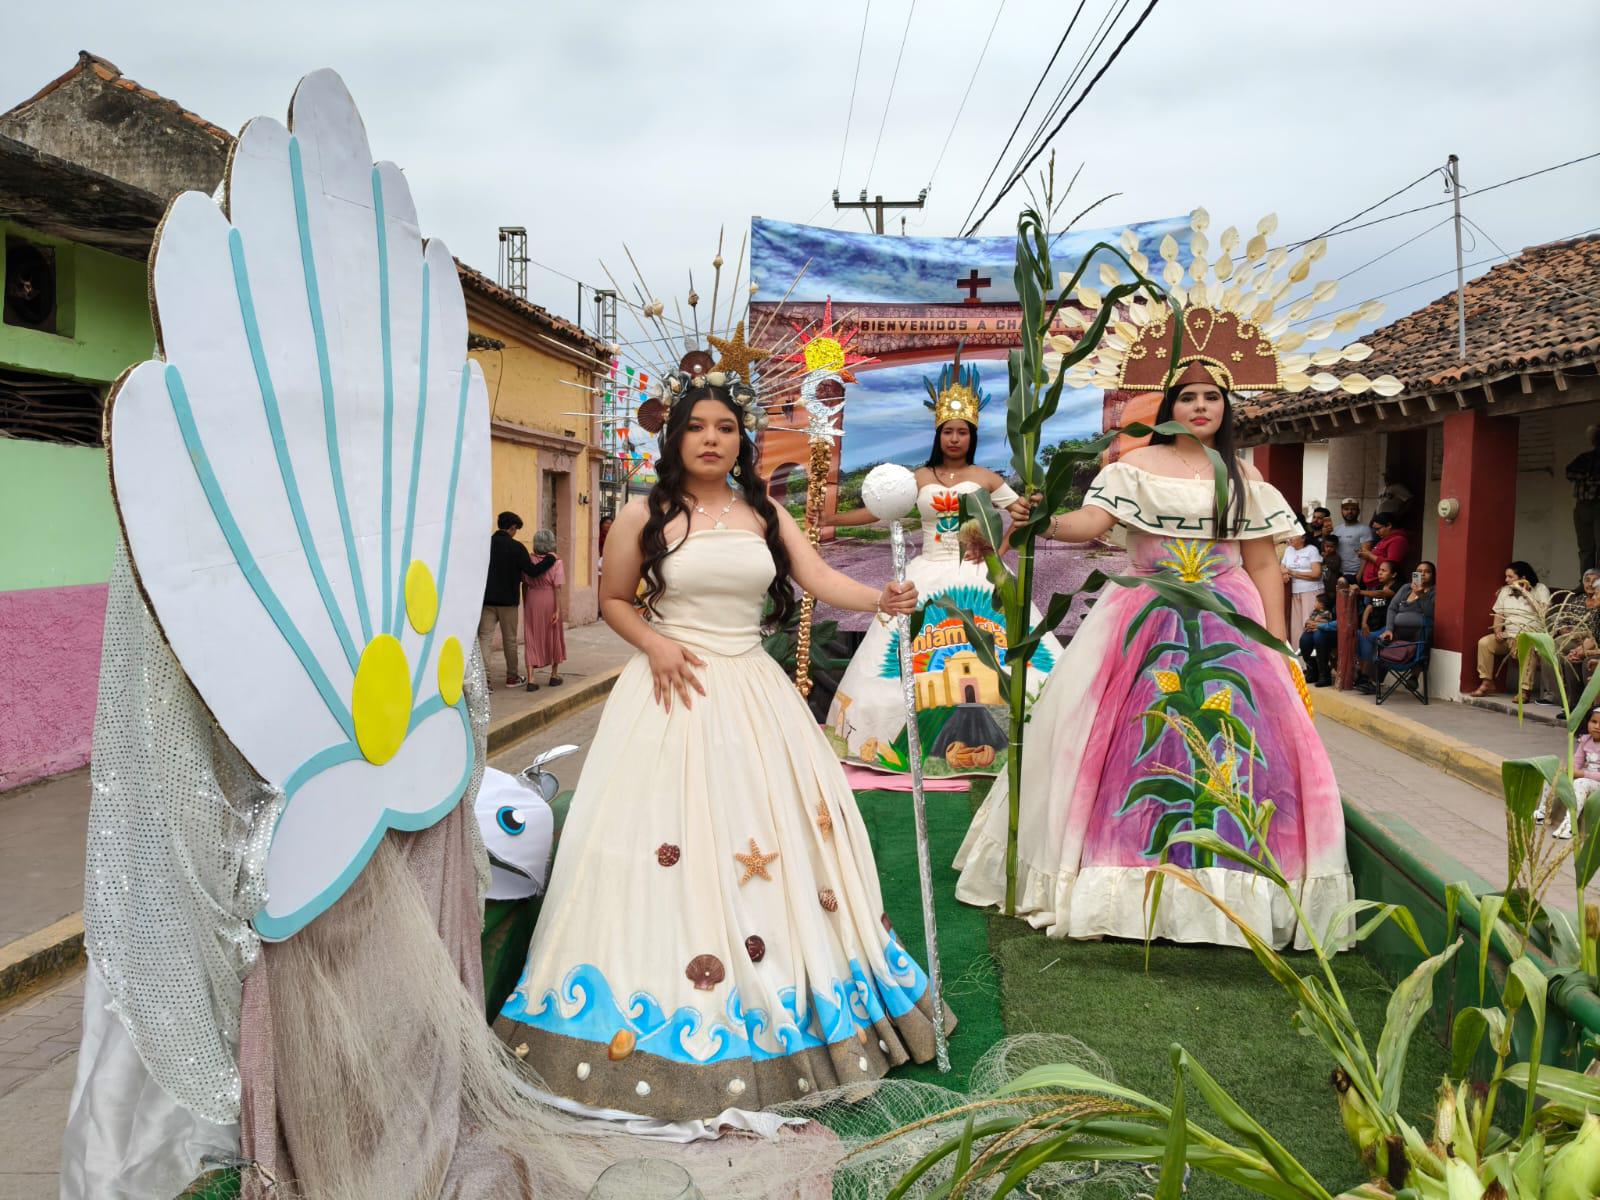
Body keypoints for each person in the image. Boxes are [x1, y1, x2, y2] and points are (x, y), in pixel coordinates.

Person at [496, 371, 951, 1121]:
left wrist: (883, 598)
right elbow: (612, 598)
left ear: (741, 441)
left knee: (775, 839)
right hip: (670, 691)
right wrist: (656, 644)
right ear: (674, 437)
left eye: (727, 427)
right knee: (658, 844)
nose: (712, 438)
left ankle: (797, 1011)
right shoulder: (641, 514)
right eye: (698, 425)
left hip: (755, 696)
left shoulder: (765, 513)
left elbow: (820, 577)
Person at [954, 358, 1353, 948]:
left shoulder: (1244, 476)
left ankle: (1230, 891)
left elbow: (1265, 564)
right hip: (1142, 618)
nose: (1200, 407)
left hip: (1231, 624)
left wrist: (1280, 644)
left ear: (1226, 408)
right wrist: (1040, 520)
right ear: (1169, 406)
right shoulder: (1134, 466)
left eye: (1211, 398)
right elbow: (1090, 523)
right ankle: (1124, 883)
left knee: (1237, 745)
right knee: (1128, 739)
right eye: (1188, 396)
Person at [823, 353, 1059, 777]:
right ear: (938, 434)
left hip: (980, 573)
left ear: (972, 436)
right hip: (926, 569)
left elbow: (1021, 517)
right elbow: (878, 513)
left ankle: (1031, 740)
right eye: (948, 432)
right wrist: (832, 519)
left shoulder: (988, 478)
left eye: (962, 432)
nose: (955, 439)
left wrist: (999, 554)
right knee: (902, 644)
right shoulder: (917, 478)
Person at [482, 511, 556, 687]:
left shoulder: (485, 544)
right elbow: (532, 571)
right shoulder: (517, 548)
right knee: (510, 640)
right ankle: (512, 677)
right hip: (508, 602)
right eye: (516, 529)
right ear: (512, 528)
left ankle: (484, 681)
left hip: (486, 600)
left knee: (484, 638)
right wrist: (550, 559)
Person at [1471, 560, 1551, 699]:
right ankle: (1487, 682)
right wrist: (1497, 632)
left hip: (1530, 636)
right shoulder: (1506, 591)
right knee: (1484, 643)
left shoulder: (1540, 589)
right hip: (1508, 636)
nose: (1506, 580)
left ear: (1523, 578)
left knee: (1528, 646)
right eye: (1506, 576)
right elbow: (1498, 615)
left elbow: (1543, 612)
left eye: (1510, 577)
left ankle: (1524, 690)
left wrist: (1525, 592)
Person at [1360, 560, 1436, 693]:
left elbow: (1430, 613)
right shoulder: (1406, 588)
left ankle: (1414, 676)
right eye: (1419, 572)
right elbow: (1392, 608)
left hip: (1418, 632)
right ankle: (1372, 681)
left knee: (1424, 636)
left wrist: (1421, 595)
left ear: (1433, 575)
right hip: (1397, 630)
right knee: (1382, 640)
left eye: (1427, 572)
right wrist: (1389, 628)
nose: (1423, 574)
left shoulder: (1433, 592)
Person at [521, 530, 566, 690]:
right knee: (554, 635)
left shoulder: (529, 560)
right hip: (549, 599)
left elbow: (524, 583)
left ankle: (531, 679)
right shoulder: (557, 561)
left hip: (532, 598)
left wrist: (526, 602)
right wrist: (558, 609)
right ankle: (553, 675)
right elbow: (557, 587)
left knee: (531, 636)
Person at [1350, 561, 1399, 691]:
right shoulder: (1378, 585)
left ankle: (1367, 677)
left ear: (1393, 574)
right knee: (1361, 635)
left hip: (1388, 626)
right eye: (1379, 570)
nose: (1380, 572)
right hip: (1373, 624)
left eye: (1384, 570)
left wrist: (1360, 591)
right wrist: (1364, 623)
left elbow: (1381, 594)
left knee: (1371, 639)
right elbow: (1370, 607)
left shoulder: (1398, 587)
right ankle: (1362, 676)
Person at [1566, 426, 1600, 574]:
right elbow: (1569, 472)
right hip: (1583, 505)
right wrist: (1591, 477)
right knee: (1586, 547)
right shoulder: (1585, 457)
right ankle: (1586, 581)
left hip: (1599, 505)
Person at [1281, 523, 1324, 633]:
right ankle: (1297, 649)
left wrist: (1293, 573)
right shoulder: (1288, 550)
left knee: (1309, 622)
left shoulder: (1312, 550)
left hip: (1311, 590)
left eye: (1293, 535)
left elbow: (1316, 573)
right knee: (1296, 626)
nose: (1290, 538)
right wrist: (1285, 573)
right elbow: (1282, 566)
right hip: (1295, 591)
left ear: (1303, 538)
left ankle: (1311, 649)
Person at [1357, 511, 1409, 586]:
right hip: (1373, 584)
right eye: (1375, 530)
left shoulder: (1398, 540)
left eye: (1378, 529)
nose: (1376, 533)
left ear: (1389, 525)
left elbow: (1392, 566)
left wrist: (1369, 555)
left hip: (1382, 585)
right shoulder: (1385, 539)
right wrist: (1365, 554)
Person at [1330, 498, 1371, 584]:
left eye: (1353, 509)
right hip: (1338, 572)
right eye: (1346, 509)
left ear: (1358, 511)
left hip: (1355, 574)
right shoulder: (1336, 530)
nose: (1349, 512)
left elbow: (1366, 555)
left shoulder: (1364, 529)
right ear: (1341, 511)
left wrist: (1359, 575)